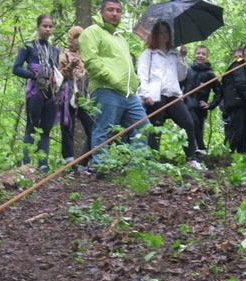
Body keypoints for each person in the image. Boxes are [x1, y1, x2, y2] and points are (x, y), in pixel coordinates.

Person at [78, 0, 150, 169]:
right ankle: (100, 167)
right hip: (106, 90)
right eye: (110, 10)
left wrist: (135, 83)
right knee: (104, 130)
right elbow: (91, 61)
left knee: (143, 126)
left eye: (118, 10)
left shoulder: (120, 38)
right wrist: (113, 79)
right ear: (101, 12)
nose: (115, 13)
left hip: (128, 94)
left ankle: (136, 167)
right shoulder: (92, 32)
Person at [137, 22, 204, 170]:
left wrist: (182, 58)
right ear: (155, 34)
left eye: (167, 32)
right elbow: (142, 76)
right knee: (156, 125)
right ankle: (152, 159)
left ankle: (191, 159)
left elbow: (181, 77)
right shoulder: (149, 53)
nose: (164, 35)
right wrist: (146, 94)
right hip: (155, 94)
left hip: (173, 94)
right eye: (161, 32)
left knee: (188, 123)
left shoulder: (174, 53)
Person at [12, 15, 62, 170]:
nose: (48, 29)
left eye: (50, 26)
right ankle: (26, 164)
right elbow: (16, 68)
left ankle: (43, 165)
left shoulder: (55, 50)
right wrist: (34, 75)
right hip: (35, 91)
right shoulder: (28, 46)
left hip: (52, 92)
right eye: (44, 26)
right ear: (38, 27)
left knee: (46, 128)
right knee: (31, 126)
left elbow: (57, 70)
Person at [57, 26, 94, 164]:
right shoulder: (63, 56)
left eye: (81, 37)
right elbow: (58, 77)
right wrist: (71, 66)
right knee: (68, 128)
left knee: (93, 128)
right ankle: (69, 162)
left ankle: (85, 160)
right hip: (68, 96)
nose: (78, 41)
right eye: (75, 37)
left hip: (85, 98)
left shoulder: (87, 56)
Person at [181, 45, 222, 155]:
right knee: (189, 126)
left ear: (207, 57)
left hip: (200, 108)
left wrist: (210, 105)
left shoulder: (210, 74)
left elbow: (219, 92)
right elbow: (179, 85)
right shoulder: (187, 70)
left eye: (203, 54)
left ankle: (198, 153)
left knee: (198, 127)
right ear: (194, 55)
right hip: (186, 104)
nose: (200, 56)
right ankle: (197, 149)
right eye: (198, 53)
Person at [220, 45, 246, 154]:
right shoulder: (239, 64)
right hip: (237, 103)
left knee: (245, 131)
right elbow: (240, 84)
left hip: (243, 104)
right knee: (238, 131)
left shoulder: (244, 66)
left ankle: (242, 155)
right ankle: (229, 154)